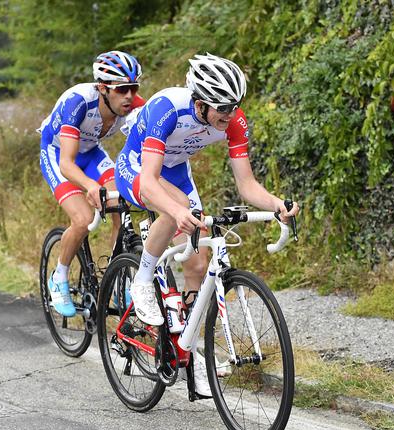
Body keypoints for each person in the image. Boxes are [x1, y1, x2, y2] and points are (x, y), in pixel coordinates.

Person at [115, 53, 300, 394]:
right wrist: (177, 211)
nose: (229, 116)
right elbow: (151, 181)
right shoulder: (167, 108)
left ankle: (185, 343)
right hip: (138, 167)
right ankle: (141, 280)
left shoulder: (234, 120)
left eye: (233, 107)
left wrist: (277, 205)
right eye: (221, 109)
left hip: (176, 172)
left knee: (199, 261)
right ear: (199, 103)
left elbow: (246, 185)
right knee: (178, 210)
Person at [39, 50, 146, 317]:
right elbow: (66, 164)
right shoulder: (78, 102)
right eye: (122, 89)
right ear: (102, 88)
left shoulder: (136, 105)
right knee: (84, 219)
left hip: (91, 152)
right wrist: (89, 185)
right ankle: (59, 276)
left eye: (133, 88)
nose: (129, 96)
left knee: (123, 204)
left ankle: (120, 275)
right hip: (58, 154)